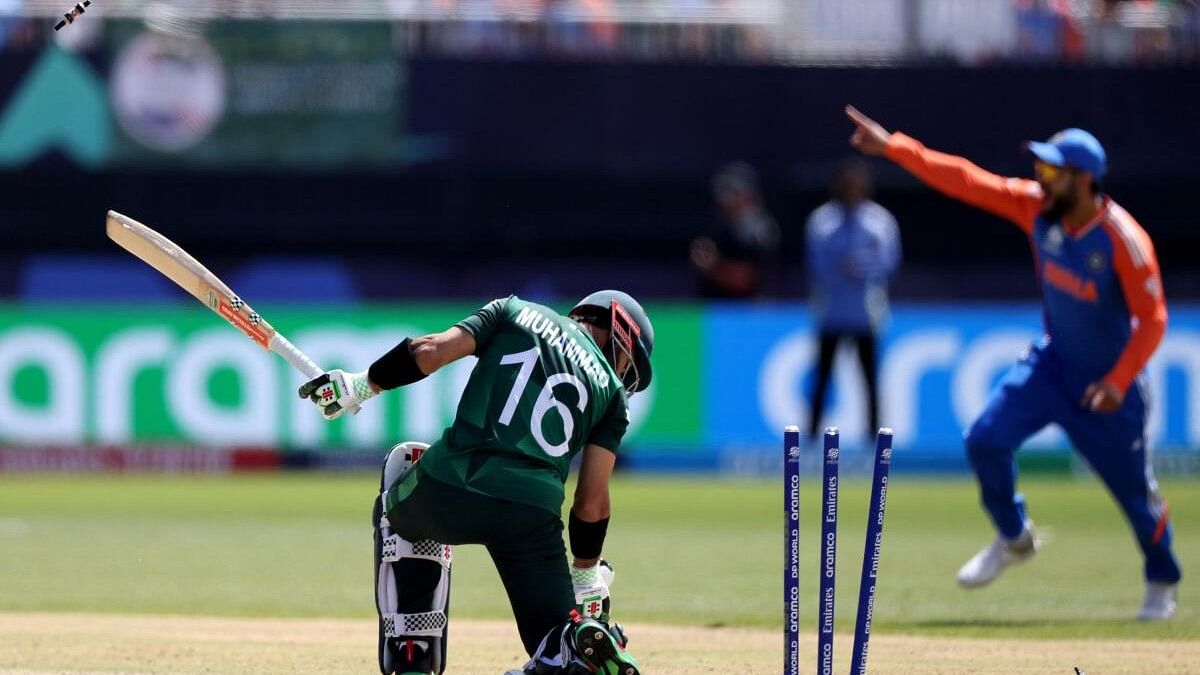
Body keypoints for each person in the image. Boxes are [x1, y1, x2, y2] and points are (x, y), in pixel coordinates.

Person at [845, 105, 1180, 620]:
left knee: (1136, 495)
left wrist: (1117, 381)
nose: (1039, 178)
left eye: (1051, 171)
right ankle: (1014, 535)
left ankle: (1162, 580)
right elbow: (967, 180)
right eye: (1040, 169)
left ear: (1083, 180)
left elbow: (1153, 319)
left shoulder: (1124, 242)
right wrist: (895, 148)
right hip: (1052, 367)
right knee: (985, 438)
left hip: (1107, 387)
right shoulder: (1035, 209)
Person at [298, 291, 653, 674]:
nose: (623, 376)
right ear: (619, 329)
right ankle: (568, 648)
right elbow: (592, 503)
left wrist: (361, 386)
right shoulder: (614, 397)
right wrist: (586, 574)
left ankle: (413, 651)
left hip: (452, 486)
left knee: (402, 478)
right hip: (532, 516)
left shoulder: (514, 311)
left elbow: (429, 352)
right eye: (628, 363)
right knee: (555, 638)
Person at [805, 158, 901, 441]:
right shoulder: (822, 221)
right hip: (831, 313)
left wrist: (860, 269)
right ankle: (811, 439)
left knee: (870, 381)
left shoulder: (879, 222)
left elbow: (888, 263)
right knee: (822, 380)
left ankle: (874, 442)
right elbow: (816, 266)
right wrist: (840, 271)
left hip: (866, 315)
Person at [689, 161, 781, 298]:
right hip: (713, 308)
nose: (726, 200)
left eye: (734, 193)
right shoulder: (717, 227)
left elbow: (744, 280)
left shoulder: (760, 230)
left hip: (748, 311)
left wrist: (712, 268)